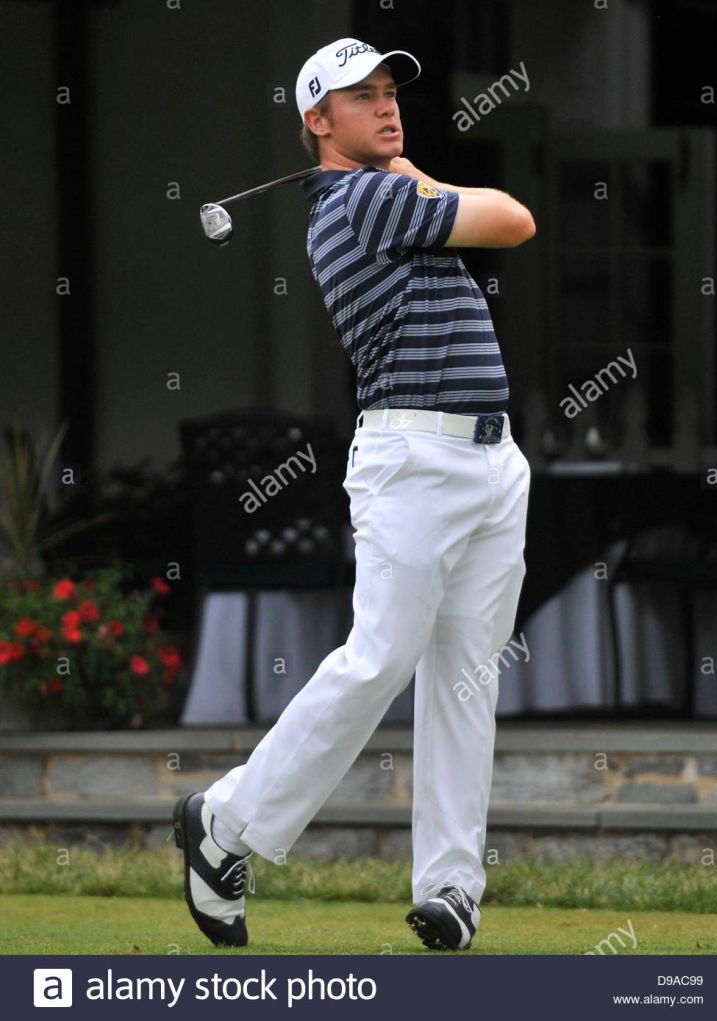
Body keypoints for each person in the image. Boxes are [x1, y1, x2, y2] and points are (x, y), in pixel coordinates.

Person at [173, 36, 535, 952]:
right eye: (360, 95)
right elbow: (515, 219)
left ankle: (451, 887)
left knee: (467, 675)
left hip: (491, 460)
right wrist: (413, 174)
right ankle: (223, 822)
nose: (385, 104)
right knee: (379, 659)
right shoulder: (363, 200)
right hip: (414, 460)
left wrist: (412, 174)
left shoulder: (385, 195)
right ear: (318, 121)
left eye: (389, 90)